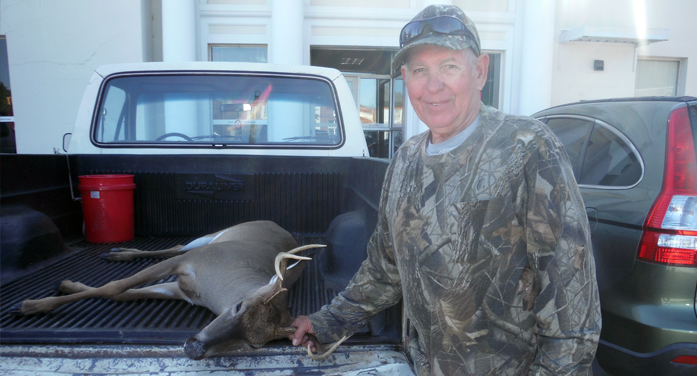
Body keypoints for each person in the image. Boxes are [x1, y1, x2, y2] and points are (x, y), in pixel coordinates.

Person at [290, 4, 601, 375]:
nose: (432, 86)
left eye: (449, 66)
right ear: (406, 77)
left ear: (480, 71)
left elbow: (573, 318)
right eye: (420, 70)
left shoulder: (528, 149)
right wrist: (327, 322)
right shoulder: (405, 161)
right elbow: (384, 269)